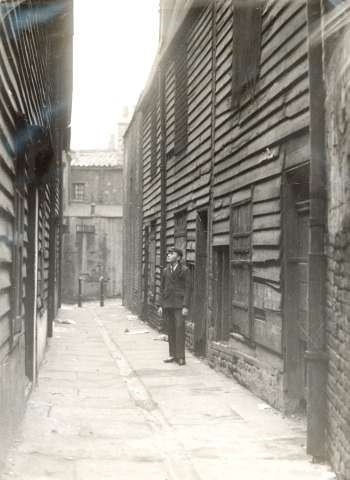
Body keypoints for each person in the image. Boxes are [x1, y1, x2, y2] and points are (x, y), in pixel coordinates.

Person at [158, 247, 192, 366]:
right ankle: (172, 354)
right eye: (167, 253)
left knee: (179, 328)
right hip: (168, 304)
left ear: (178, 257)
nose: (168, 255)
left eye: (171, 254)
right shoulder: (165, 271)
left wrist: (185, 306)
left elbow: (188, 289)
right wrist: (160, 305)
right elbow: (162, 289)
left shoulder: (184, 270)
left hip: (179, 305)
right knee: (171, 329)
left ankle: (181, 357)